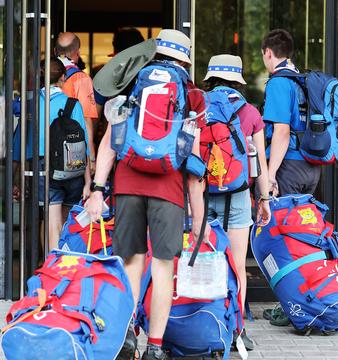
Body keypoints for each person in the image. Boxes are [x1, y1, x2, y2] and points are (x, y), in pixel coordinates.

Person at [87, 30, 207, 360]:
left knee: (130, 262)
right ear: (184, 58)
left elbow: (111, 141)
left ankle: (127, 337)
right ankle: (155, 347)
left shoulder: (132, 83)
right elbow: (194, 164)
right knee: (163, 267)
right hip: (168, 187)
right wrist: (198, 218)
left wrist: (98, 190)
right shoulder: (192, 94)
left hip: (127, 184)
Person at [199, 54, 272, 350]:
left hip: (201, 193)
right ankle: (236, 331)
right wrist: (264, 198)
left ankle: (201, 325)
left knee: (202, 261)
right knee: (237, 264)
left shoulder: (197, 106)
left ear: (210, 78)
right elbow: (261, 165)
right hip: (238, 193)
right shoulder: (250, 112)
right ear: (237, 80)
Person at [12, 58, 91, 251]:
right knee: (67, 223)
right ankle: (67, 266)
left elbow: (19, 143)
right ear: (63, 77)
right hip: (73, 168)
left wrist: (16, 177)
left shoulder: (30, 104)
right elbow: (84, 145)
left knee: (51, 223)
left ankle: (53, 270)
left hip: (43, 167)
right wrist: (89, 182)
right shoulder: (73, 105)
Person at [261, 28, 321, 196]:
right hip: (311, 167)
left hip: (288, 165)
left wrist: (270, 175)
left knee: (277, 220)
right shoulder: (303, 81)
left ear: (268, 53)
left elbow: (282, 131)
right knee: (301, 221)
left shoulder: (279, 82)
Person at [55, 32, 98, 172]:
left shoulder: (42, 73)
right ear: (77, 53)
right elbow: (86, 121)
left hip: (40, 149)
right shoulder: (80, 78)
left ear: (55, 51)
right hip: (68, 151)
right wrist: (91, 158)